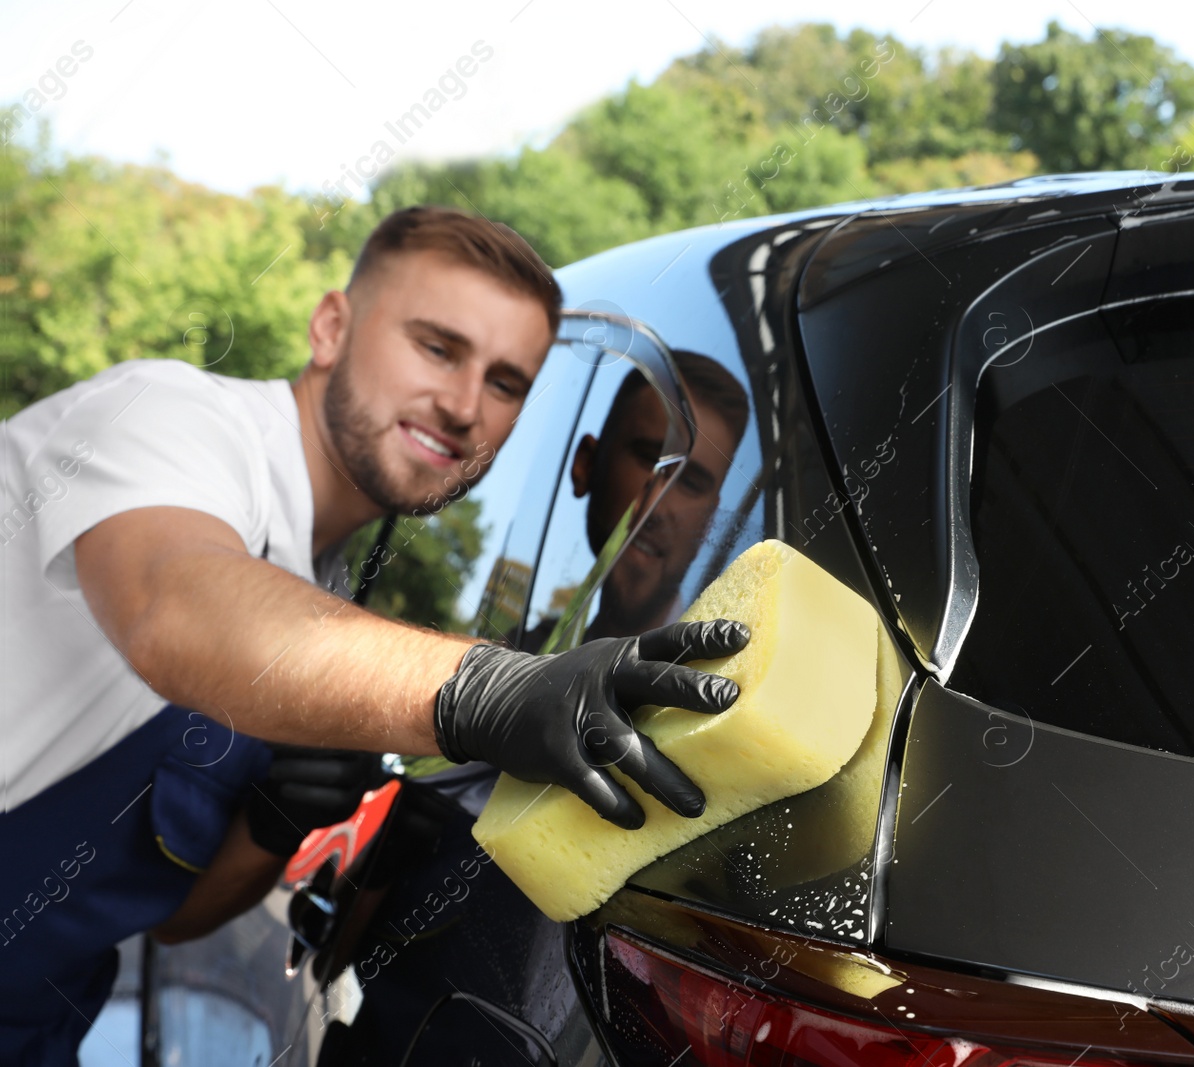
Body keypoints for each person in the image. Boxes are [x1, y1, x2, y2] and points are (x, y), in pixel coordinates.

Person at [0, 206, 749, 1062]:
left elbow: (173, 920)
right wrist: (489, 689)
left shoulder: (322, 593)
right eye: (437, 347)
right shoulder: (172, 423)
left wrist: (274, 822)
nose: (465, 405)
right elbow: (172, 605)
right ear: (331, 327)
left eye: (506, 383)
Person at [522, 352, 750, 650]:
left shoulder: (728, 684)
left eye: (690, 483)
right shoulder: (514, 657)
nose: (656, 503)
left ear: (710, 522)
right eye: (647, 458)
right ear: (586, 465)